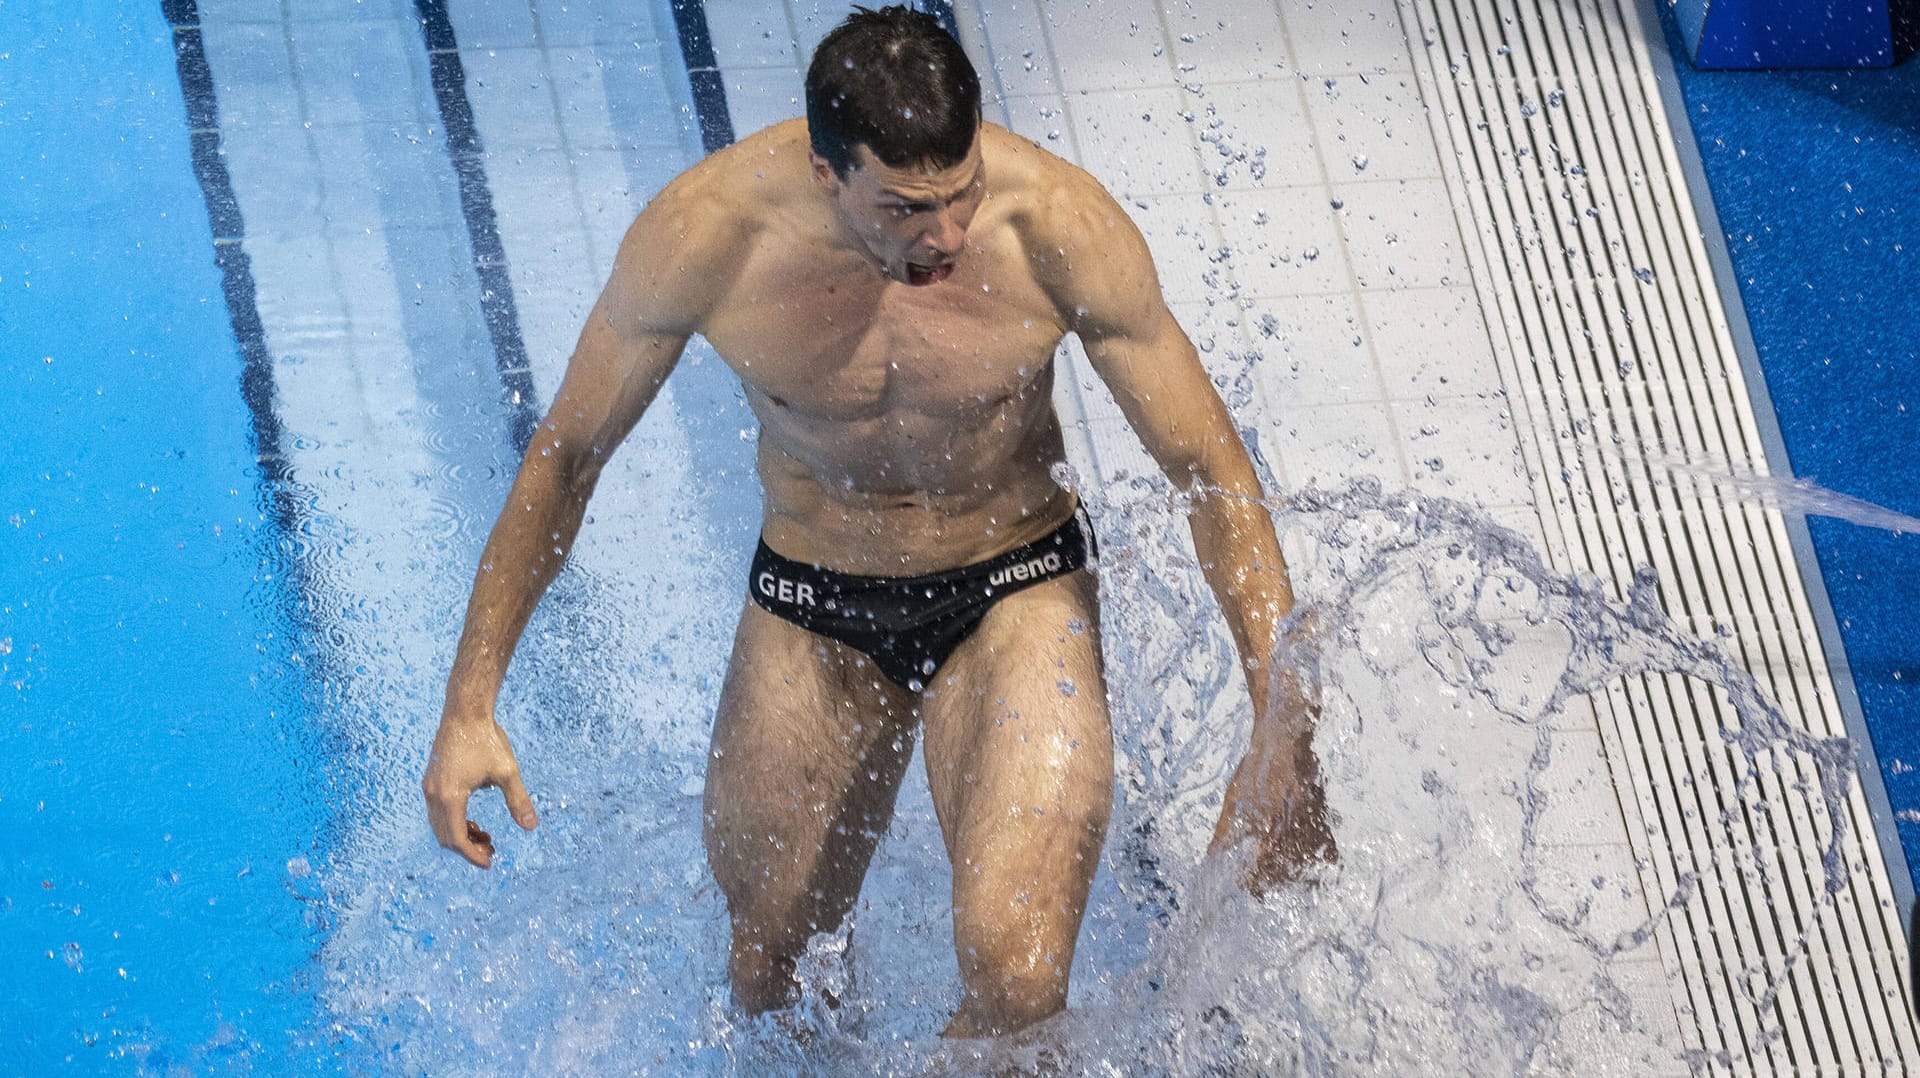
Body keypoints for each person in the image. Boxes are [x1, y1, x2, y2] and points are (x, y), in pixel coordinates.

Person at [421, 5, 1334, 1039]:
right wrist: (470, 703)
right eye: (904, 208)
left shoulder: (1058, 227)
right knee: (772, 973)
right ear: (827, 172)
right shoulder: (706, 238)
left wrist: (1283, 729)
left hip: (1013, 590)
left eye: (959, 194)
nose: (944, 236)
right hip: (814, 608)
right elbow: (566, 460)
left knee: (1019, 985)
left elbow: (1209, 470)